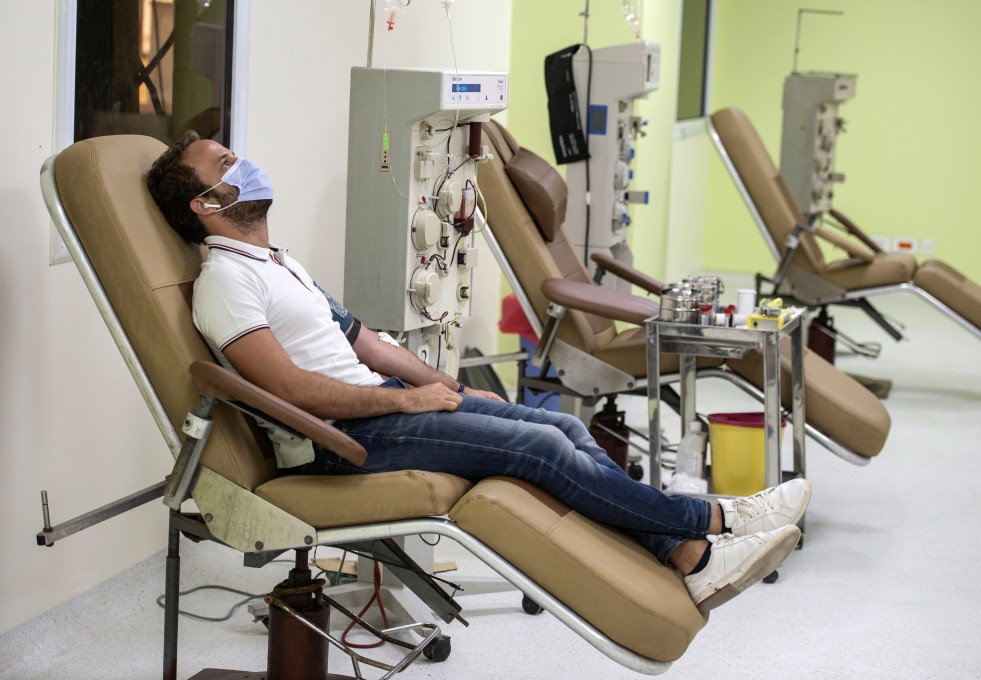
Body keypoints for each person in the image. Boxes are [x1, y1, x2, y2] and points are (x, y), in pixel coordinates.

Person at [147, 130, 810, 614]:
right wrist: (403, 406)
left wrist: (447, 388)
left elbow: (367, 341)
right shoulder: (225, 282)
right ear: (207, 205)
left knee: (557, 427)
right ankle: (711, 523)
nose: (245, 163)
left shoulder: (276, 263)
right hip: (340, 441)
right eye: (226, 163)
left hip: (382, 403)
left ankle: (688, 556)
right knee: (545, 447)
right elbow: (287, 391)